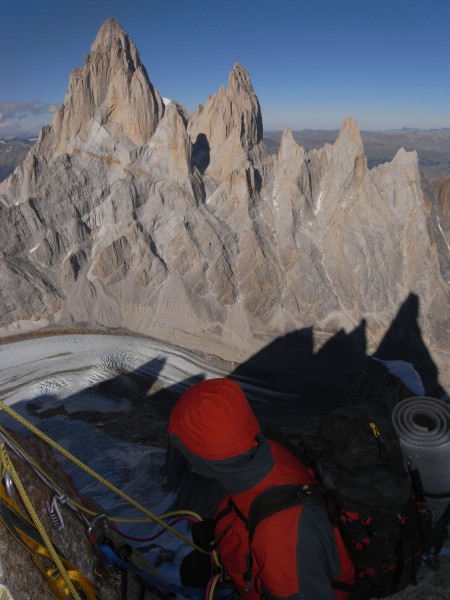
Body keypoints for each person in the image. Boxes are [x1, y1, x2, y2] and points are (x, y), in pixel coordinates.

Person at [168, 378, 355, 600]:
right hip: (277, 559)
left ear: (206, 460)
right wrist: (220, 528)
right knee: (193, 569)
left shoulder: (280, 540)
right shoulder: (263, 449)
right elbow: (254, 502)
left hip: (291, 576)